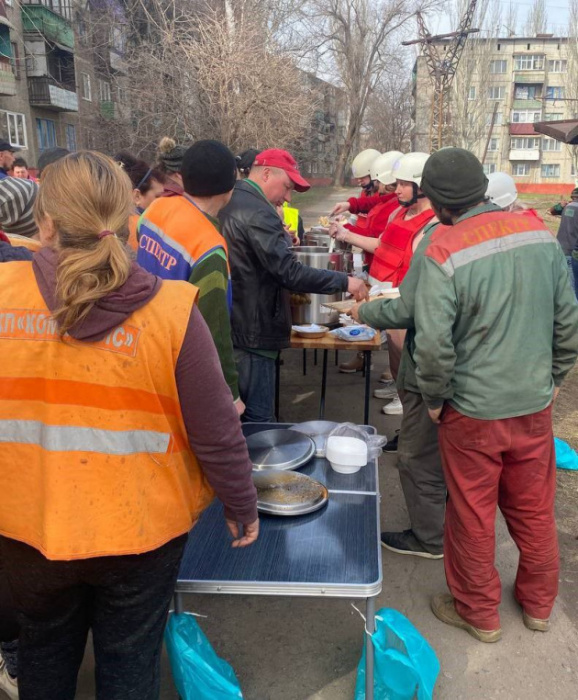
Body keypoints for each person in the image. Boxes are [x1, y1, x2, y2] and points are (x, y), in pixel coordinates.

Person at [0, 151, 259, 699]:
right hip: (139, 533)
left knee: (44, 653)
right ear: (128, 220)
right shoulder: (170, 310)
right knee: (129, 661)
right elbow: (215, 428)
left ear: (44, 223)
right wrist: (241, 504)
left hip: (26, 528)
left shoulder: (4, 295)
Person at [412, 147, 578, 642]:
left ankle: (479, 613)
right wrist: (551, 381)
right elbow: (567, 324)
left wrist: (435, 399)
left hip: (472, 412)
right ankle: (538, 606)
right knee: (532, 509)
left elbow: (435, 345)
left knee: (472, 513)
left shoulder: (443, 247)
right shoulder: (538, 235)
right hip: (532, 406)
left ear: (439, 201)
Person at [219, 147, 368, 422]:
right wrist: (344, 280)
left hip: (236, 324)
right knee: (258, 423)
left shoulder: (233, 199)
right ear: (266, 174)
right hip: (252, 331)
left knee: (239, 421)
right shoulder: (258, 212)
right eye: (287, 187)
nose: (287, 197)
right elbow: (289, 272)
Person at [138, 140, 243, 413]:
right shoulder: (210, 248)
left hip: (146, 350)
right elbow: (215, 329)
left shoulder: (155, 209)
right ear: (228, 189)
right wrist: (230, 394)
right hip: (182, 368)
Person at [331, 153, 435, 416]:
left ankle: (409, 410)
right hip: (385, 298)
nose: (395, 189)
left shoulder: (433, 223)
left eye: (402, 184)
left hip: (404, 302)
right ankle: (403, 397)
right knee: (396, 361)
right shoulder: (400, 213)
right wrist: (346, 234)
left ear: (421, 186)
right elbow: (380, 245)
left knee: (407, 364)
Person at [333, 151, 405, 375]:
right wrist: (350, 205)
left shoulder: (398, 207)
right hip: (379, 269)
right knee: (380, 324)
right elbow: (375, 201)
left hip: (392, 276)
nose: (372, 185)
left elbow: (378, 239)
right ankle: (392, 375)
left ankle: (399, 382)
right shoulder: (390, 200)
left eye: (376, 181)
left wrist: (346, 232)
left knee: (394, 332)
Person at [115, 152, 165, 252]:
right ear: (137, 196)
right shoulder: (142, 229)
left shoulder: (111, 223)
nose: (164, 201)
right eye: (158, 196)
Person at [555, 187, 578, 298]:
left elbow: (552, 210)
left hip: (561, 249)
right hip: (573, 252)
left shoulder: (566, 207)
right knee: (573, 287)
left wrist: (561, 205)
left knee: (566, 283)